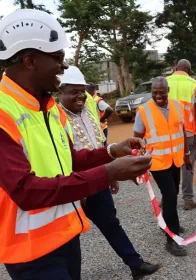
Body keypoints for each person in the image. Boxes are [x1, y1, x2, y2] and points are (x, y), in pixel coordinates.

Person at [0, 9, 152, 280]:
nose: (64, 66)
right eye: (58, 57)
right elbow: (25, 191)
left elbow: (69, 159)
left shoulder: (46, 108)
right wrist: (109, 173)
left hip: (66, 236)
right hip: (32, 252)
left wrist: (111, 152)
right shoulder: (3, 113)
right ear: (29, 61)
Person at [58, 66, 161, 280]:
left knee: (111, 223)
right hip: (73, 186)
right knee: (70, 237)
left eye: (82, 90)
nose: (80, 96)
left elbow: (100, 142)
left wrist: (111, 174)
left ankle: (135, 264)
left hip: (99, 177)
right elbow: (62, 158)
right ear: (60, 92)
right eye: (73, 91)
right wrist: (77, 189)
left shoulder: (90, 109)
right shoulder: (55, 117)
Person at [133, 77, 193, 256]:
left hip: (175, 159)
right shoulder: (143, 110)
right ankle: (171, 238)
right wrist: (138, 162)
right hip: (157, 162)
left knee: (173, 193)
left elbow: (181, 130)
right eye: (154, 92)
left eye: (161, 92)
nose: (158, 95)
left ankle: (167, 223)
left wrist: (187, 154)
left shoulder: (176, 105)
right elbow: (136, 138)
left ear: (168, 90)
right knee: (170, 195)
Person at [167, 59, 196, 210]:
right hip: (188, 131)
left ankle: (167, 197)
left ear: (176, 67)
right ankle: (188, 199)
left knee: (169, 164)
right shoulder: (195, 85)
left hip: (167, 131)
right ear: (189, 71)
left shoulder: (165, 81)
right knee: (187, 163)